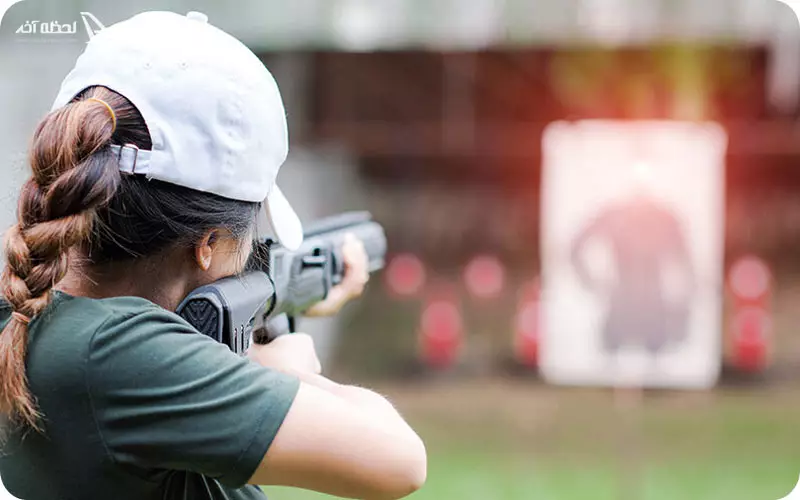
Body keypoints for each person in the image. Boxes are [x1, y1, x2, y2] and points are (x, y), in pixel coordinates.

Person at [0, 11, 426, 500]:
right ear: (208, 244)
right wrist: (284, 371)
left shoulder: (31, 315)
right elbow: (401, 461)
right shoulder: (121, 354)